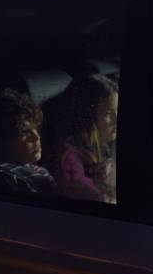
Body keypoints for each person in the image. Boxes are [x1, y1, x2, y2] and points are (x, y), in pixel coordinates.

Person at [0, 90, 58, 195]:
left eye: (35, 129)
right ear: (1, 140)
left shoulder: (32, 168)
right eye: (24, 132)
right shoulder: (7, 178)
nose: (36, 137)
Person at [48, 74, 118, 203]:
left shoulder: (104, 147)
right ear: (87, 115)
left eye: (117, 111)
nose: (116, 119)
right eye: (109, 113)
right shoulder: (69, 160)